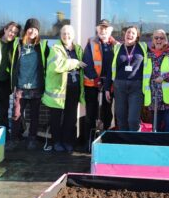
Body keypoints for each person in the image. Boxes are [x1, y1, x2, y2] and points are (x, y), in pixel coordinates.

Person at [42, 25, 86, 153]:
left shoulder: (78, 49)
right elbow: (57, 65)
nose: (66, 36)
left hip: (74, 89)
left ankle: (67, 141)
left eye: (69, 34)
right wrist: (75, 62)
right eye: (64, 34)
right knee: (56, 118)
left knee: (70, 118)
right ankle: (56, 142)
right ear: (60, 35)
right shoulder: (55, 49)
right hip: (58, 91)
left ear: (73, 35)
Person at [8, 18, 49, 150]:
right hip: (20, 86)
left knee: (34, 115)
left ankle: (32, 139)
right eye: (30, 28)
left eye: (35, 29)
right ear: (26, 30)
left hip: (36, 87)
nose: (33, 31)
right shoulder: (17, 44)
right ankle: (14, 139)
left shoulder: (42, 46)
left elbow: (52, 61)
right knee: (16, 114)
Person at [83, 19, 119, 147]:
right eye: (101, 28)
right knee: (91, 112)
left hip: (108, 84)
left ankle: (105, 136)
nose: (103, 31)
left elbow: (116, 66)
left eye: (106, 29)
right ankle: (88, 141)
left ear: (110, 31)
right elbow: (86, 62)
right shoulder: (91, 42)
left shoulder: (116, 45)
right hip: (92, 84)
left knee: (106, 111)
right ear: (97, 30)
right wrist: (95, 78)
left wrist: (108, 82)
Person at [105, 25, 147, 131]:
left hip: (136, 86)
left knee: (133, 119)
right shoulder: (117, 48)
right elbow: (110, 69)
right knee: (121, 118)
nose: (130, 34)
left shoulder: (143, 47)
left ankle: (135, 144)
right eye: (128, 32)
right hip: (119, 86)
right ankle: (123, 143)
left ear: (137, 36)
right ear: (125, 34)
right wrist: (107, 88)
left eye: (133, 33)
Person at [143, 29, 169, 132]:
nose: (159, 40)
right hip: (153, 97)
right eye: (156, 38)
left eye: (162, 38)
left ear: (166, 40)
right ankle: (156, 147)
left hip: (168, 99)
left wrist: (163, 77)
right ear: (152, 40)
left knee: (168, 125)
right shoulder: (147, 55)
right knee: (155, 126)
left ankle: (168, 146)